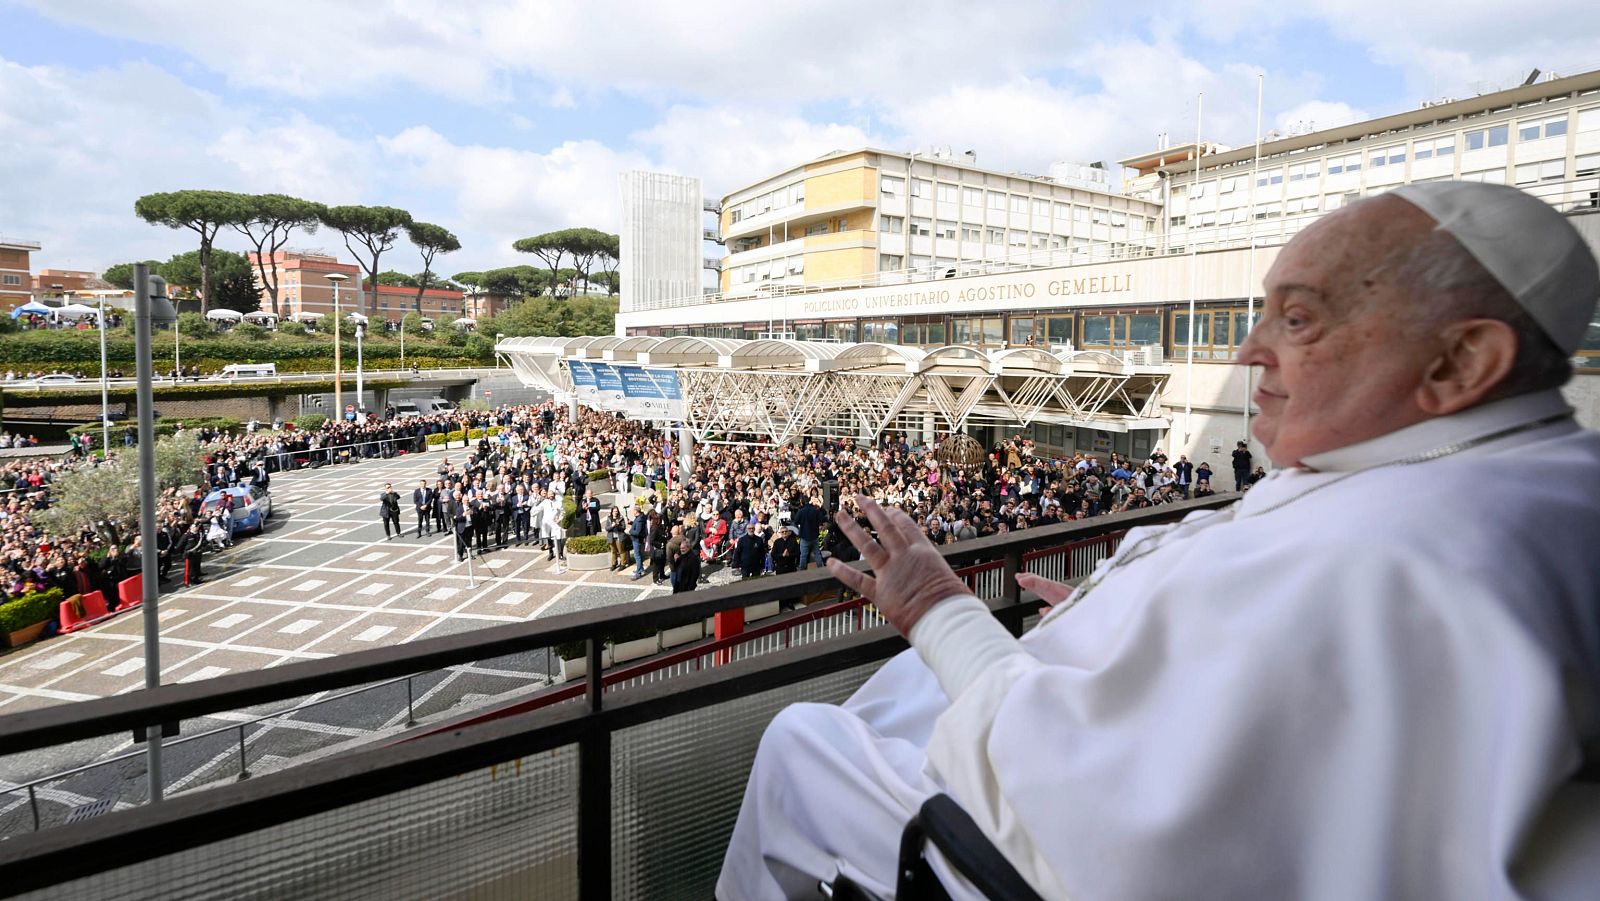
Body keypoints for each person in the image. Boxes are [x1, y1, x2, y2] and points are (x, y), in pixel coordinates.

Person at [718, 182, 1600, 899]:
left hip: (1037, 851)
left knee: (804, 740)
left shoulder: (1394, 549)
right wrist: (1130, 625)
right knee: (911, 686)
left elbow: (1114, 823)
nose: (1250, 348)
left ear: (1460, 362)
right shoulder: (1518, 473)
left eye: (1297, 318)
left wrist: (938, 606)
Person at [790, 493, 824, 570]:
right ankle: (821, 569)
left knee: (803, 555)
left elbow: (796, 522)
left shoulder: (801, 511)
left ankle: (802, 572)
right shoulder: (815, 510)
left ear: (802, 502)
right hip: (814, 536)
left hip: (804, 537)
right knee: (817, 554)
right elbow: (821, 519)